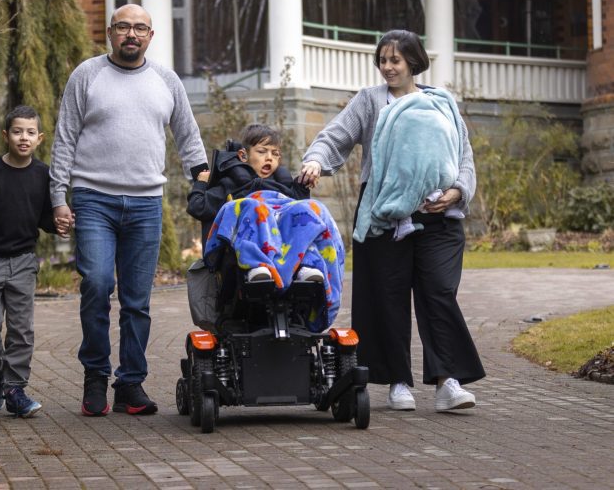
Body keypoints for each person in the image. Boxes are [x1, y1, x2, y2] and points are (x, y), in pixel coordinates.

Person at [299, 29, 485, 412]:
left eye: (395, 60)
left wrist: (458, 192)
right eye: (382, 60)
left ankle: (447, 381)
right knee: (388, 297)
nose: (387, 67)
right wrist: (316, 160)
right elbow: (335, 137)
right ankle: (398, 381)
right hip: (384, 213)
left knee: (439, 292)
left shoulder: (440, 102)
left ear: (413, 61)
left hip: (438, 214)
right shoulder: (370, 101)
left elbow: (463, 154)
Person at [50, 4, 208, 417]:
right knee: (98, 285)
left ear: (151, 36)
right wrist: (57, 196)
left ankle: (131, 384)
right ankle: (96, 378)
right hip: (93, 199)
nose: (131, 34)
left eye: (139, 28)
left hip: (145, 204)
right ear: (109, 32)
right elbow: (64, 138)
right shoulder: (86, 75)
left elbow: (188, 134)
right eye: (123, 27)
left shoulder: (165, 79)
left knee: (137, 300)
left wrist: (205, 180)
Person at [0, 105, 61, 418]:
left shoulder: (44, 175)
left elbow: (46, 217)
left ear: (40, 138)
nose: (24, 137)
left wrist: (59, 222)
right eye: (17, 131)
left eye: (30, 132)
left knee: (21, 331)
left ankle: (14, 388)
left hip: (22, 263)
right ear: (6, 135)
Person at [186, 123, 316, 280]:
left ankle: (306, 266)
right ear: (243, 155)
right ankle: (257, 265)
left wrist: (303, 185)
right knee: (253, 205)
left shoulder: (284, 187)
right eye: (262, 152)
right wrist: (201, 183)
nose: (269, 158)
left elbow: (300, 214)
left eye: (275, 154)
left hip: (284, 248)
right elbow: (198, 207)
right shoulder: (230, 185)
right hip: (240, 255)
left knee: (308, 210)